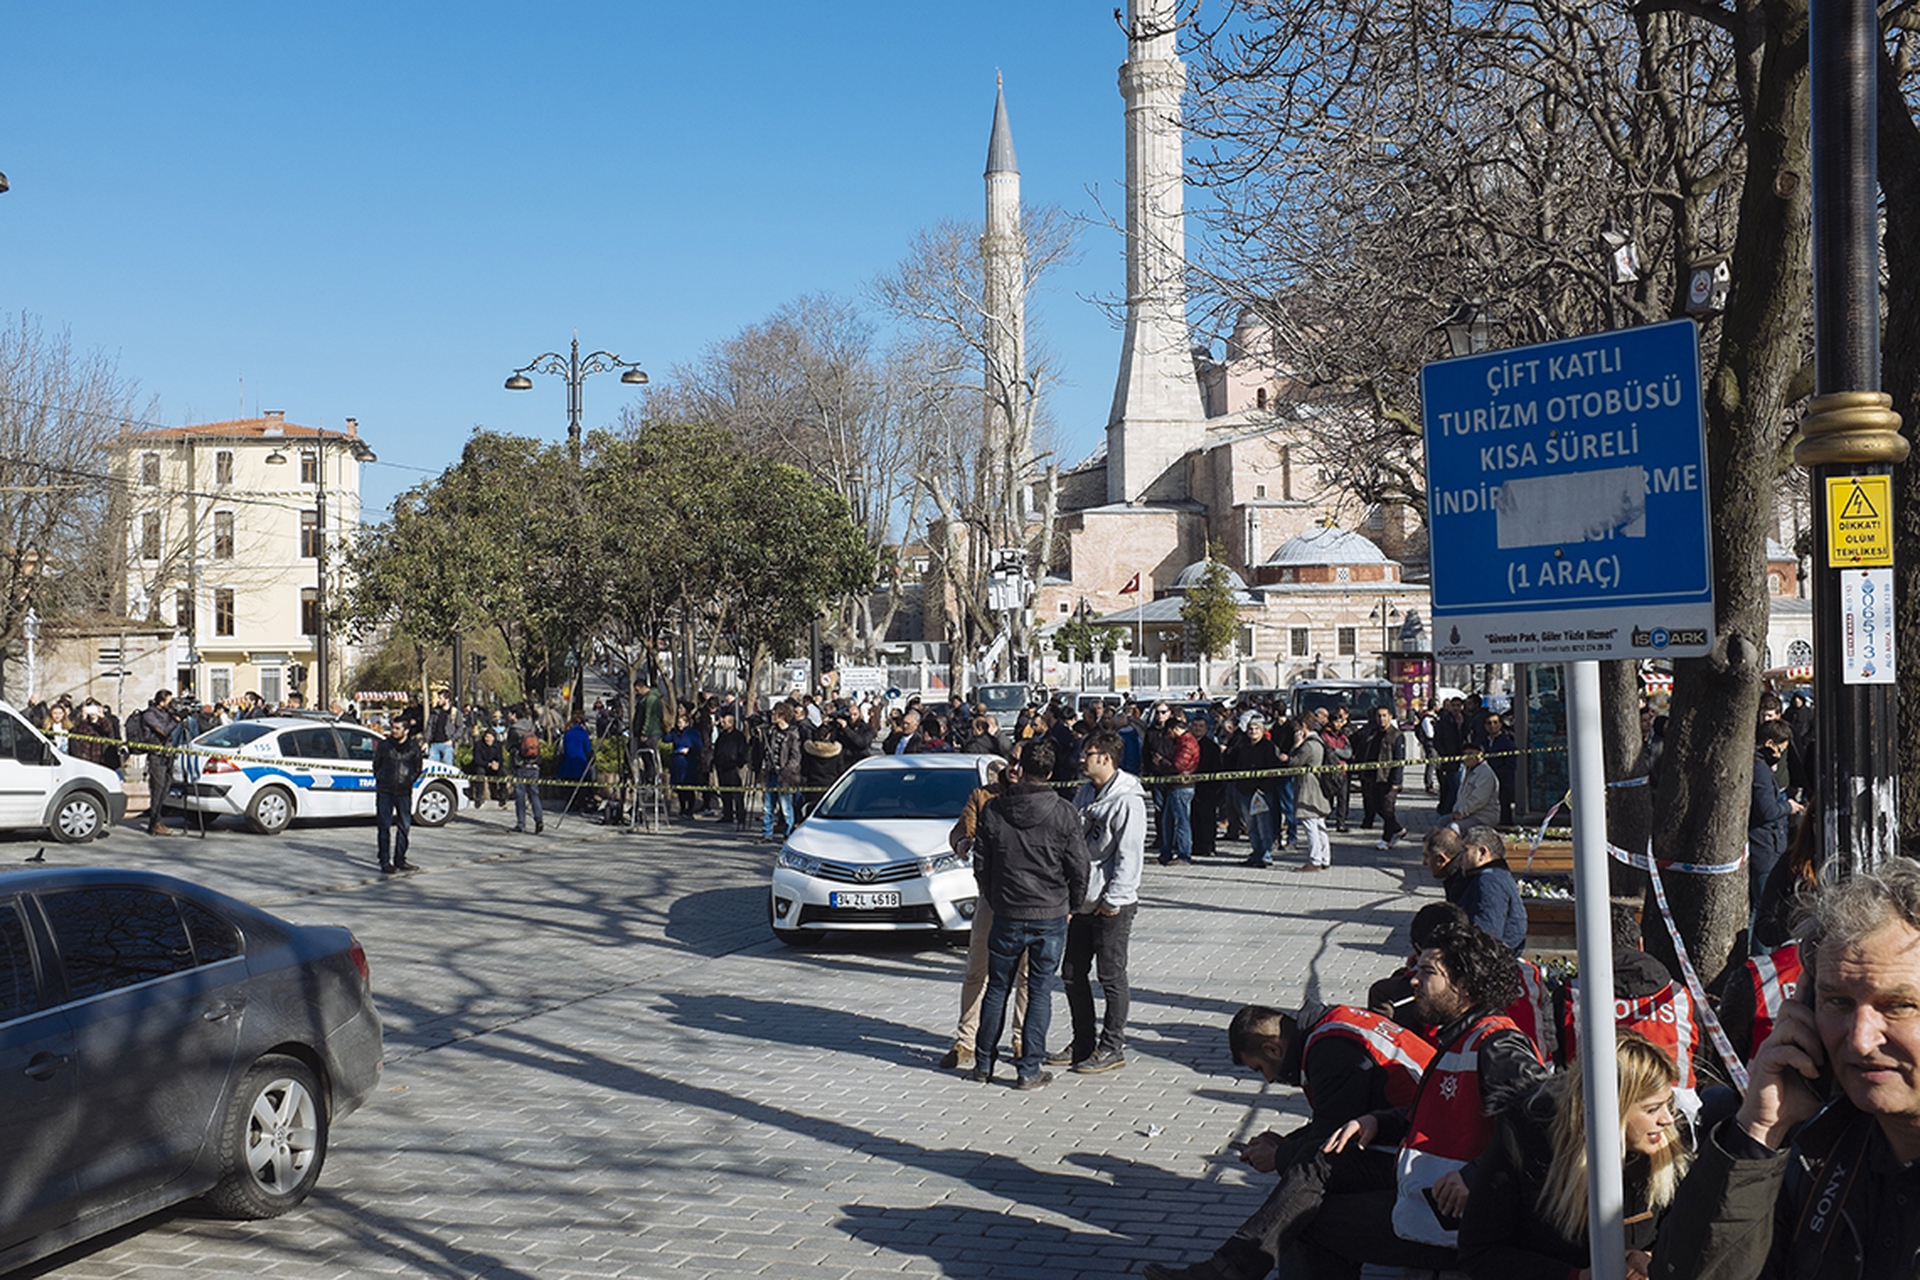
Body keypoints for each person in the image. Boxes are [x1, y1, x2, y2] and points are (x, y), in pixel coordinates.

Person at [1146, 922, 1546, 1280]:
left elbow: (1541, 1122)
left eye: (1427, 973)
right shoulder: (1460, 1035)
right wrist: (1377, 1121)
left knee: (1307, 1216)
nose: (1413, 981)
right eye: (1415, 970)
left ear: (1465, 985)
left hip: (1462, 1214)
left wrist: (1474, 1177)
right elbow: (1437, 1114)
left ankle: (1228, 1271)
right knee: (1315, 1175)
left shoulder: (1496, 1042)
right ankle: (1226, 1271)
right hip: (1430, 1189)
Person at [1654, 856, 1920, 1279]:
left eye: (1899, 1005)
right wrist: (1758, 1134)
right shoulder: (1815, 1153)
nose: (1859, 1040)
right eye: (1838, 1002)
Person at [1458, 1033, 1689, 1280]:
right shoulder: (1525, 1139)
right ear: (1612, 1108)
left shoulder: (1668, 1147)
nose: (1667, 1119)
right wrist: (1576, 1276)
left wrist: (1651, 1260)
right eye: (1652, 1109)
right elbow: (1479, 1253)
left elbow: (1689, 1236)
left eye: (1669, 1104)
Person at [971, 739, 1089, 1090]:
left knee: (997, 988)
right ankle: (1029, 1069)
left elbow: (981, 864)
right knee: (1039, 990)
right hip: (1049, 912)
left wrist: (994, 897)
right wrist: (1073, 904)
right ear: (1050, 773)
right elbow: (1079, 866)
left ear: (1020, 770)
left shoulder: (994, 810)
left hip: (1008, 910)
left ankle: (983, 1063)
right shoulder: (1064, 812)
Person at [1227, 1002, 1436, 1175]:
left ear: (1272, 1049)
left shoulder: (1330, 1051)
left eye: (1261, 1068)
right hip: (1417, 1118)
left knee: (1314, 1174)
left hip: (1427, 1139)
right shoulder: (1331, 1023)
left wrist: (1278, 1156)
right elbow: (1335, 1117)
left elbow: (1332, 1136)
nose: (1269, 1079)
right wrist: (1286, 1143)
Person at [1059, 730, 1145, 1073]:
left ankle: (1112, 1046)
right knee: (1071, 972)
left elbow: (1130, 855)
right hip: (1081, 899)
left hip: (1111, 903)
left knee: (1110, 976)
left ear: (1105, 759)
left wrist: (1114, 899)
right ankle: (1083, 1042)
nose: (1082, 759)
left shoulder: (1127, 800)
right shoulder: (1085, 793)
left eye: (1088, 753)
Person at [942, 757, 1026, 1071]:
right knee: (978, 968)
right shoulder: (983, 795)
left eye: (1022, 762)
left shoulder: (1043, 798)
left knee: (1026, 974)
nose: (1015, 768)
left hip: (1031, 898)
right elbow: (961, 829)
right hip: (991, 896)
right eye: (1012, 761)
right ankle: (966, 1040)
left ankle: (1020, 1038)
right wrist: (963, 840)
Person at [1748, 719, 1799, 918]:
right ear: (1770, 744)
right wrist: (1788, 806)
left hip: (1765, 844)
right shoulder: (1760, 770)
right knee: (1763, 909)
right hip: (1764, 846)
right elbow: (1767, 810)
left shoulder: (1759, 766)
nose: (1780, 756)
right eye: (1780, 750)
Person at [1229, 713, 1284, 867]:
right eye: (1250, 729)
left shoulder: (1268, 747)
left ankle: (1266, 854)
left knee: (1264, 825)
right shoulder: (1243, 747)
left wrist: (1263, 789)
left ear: (1262, 730)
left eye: (1256, 729)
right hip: (1245, 791)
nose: (1253, 732)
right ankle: (1256, 852)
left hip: (1262, 792)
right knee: (1251, 825)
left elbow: (1274, 770)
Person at [1353, 705, 1408, 851]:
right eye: (1379, 716)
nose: (1381, 719)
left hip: (1387, 778)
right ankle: (1397, 830)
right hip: (1373, 777)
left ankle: (1386, 839)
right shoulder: (1373, 732)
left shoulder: (1396, 736)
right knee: (1376, 807)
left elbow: (1399, 760)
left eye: (1384, 715)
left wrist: (1396, 781)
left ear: (1390, 716)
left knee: (1387, 809)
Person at [372, 717, 423, 873]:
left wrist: (408, 781)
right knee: (384, 826)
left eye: (397, 728)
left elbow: (417, 768)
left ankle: (400, 859)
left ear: (406, 731)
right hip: (385, 791)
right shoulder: (384, 746)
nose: (393, 731)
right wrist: (382, 779)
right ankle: (385, 861)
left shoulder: (414, 747)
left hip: (403, 792)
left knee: (404, 826)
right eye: (392, 728)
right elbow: (376, 765)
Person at [1287, 715, 1333, 872]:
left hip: (1308, 787)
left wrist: (1296, 745)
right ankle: (1325, 857)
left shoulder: (1308, 746)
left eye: (1296, 727)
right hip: (1318, 786)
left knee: (1310, 823)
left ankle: (1315, 860)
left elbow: (1293, 763)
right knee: (1319, 824)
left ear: (1303, 726)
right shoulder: (1320, 741)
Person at [134, 689, 181, 836]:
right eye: (169, 701)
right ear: (162, 701)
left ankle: (157, 821)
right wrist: (176, 720)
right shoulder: (149, 715)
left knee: (165, 789)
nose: (171, 704)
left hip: (167, 756)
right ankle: (154, 823)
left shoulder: (166, 714)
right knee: (158, 790)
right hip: (156, 757)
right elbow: (164, 730)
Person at [1158, 714, 1200, 865]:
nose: (1168, 736)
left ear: (1175, 729)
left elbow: (1178, 766)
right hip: (1174, 785)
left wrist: (1162, 761)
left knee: (1181, 821)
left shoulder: (1187, 743)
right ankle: (1166, 852)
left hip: (1182, 786)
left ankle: (1184, 854)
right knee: (1167, 821)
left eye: (1169, 732)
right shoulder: (1180, 742)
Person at [1448, 741, 1501, 831]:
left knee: (1453, 827)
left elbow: (1478, 800)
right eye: (1465, 754)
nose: (1467, 757)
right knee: (1442, 822)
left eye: (1471, 754)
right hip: (1468, 814)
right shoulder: (1468, 771)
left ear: (1480, 755)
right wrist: (1455, 811)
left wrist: (1461, 812)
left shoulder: (1485, 774)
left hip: (1483, 816)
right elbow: (1461, 797)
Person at [711, 708, 750, 827]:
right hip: (722, 767)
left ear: (731, 723)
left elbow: (743, 752)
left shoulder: (738, 736)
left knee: (736, 794)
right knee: (724, 792)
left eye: (725, 722)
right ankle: (727, 814)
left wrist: (739, 763)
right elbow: (717, 749)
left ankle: (740, 816)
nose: (722, 724)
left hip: (733, 767)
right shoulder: (722, 736)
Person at [510, 708, 544, 834]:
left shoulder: (514, 730)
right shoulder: (533, 727)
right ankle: (539, 819)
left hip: (520, 766)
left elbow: (509, 747)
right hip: (534, 766)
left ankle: (521, 824)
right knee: (534, 794)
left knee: (520, 796)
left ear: (514, 715)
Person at [471, 726, 508, 808]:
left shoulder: (498, 745)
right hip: (483, 765)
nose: (487, 739)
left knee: (503, 772)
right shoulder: (479, 745)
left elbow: (501, 758)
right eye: (486, 737)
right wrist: (488, 764)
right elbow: (477, 760)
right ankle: (479, 796)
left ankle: (502, 795)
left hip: (494, 766)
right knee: (480, 772)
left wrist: (497, 764)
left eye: (489, 737)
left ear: (493, 738)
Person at [425, 689, 456, 767]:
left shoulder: (454, 712)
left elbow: (460, 728)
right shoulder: (435, 711)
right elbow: (430, 726)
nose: (438, 700)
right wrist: (426, 741)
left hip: (447, 744)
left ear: (447, 700)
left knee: (447, 767)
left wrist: (452, 740)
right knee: (431, 767)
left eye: (440, 698)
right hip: (434, 744)